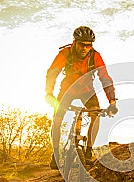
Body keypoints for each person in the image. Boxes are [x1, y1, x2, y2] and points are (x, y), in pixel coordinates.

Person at [45, 26, 117, 168]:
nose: (84, 48)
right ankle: (56, 154)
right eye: (81, 44)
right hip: (67, 89)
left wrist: (112, 101)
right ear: (74, 42)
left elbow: (105, 78)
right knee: (57, 119)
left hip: (87, 90)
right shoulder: (65, 53)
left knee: (95, 114)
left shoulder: (95, 56)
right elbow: (52, 73)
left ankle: (89, 151)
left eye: (88, 45)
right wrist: (49, 93)